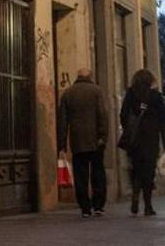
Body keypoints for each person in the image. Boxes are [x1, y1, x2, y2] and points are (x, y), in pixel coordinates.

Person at [57, 67, 109, 218]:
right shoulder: (97, 91)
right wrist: (103, 136)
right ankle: (98, 205)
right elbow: (102, 116)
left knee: (81, 175)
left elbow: (63, 121)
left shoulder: (68, 93)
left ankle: (85, 207)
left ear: (77, 77)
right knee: (98, 173)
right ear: (90, 76)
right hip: (96, 141)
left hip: (77, 141)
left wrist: (62, 145)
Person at [119, 68, 165, 216]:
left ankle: (135, 197)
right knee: (148, 171)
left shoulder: (131, 94)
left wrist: (128, 128)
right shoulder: (156, 96)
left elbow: (123, 114)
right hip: (151, 139)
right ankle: (148, 205)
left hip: (135, 139)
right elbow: (164, 121)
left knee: (136, 169)